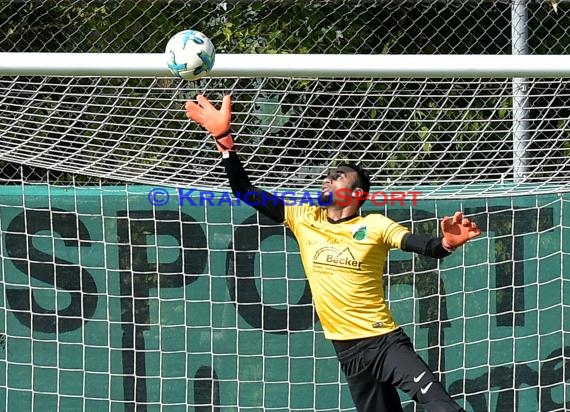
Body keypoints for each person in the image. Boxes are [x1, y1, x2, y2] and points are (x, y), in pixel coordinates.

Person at [185, 94, 481, 412]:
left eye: (337, 176)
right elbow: (245, 190)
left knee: (440, 404)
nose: (327, 180)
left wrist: (448, 242)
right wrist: (223, 139)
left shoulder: (375, 225)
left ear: (356, 194)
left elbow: (426, 247)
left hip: (385, 343)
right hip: (348, 352)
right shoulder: (303, 217)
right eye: (328, 176)